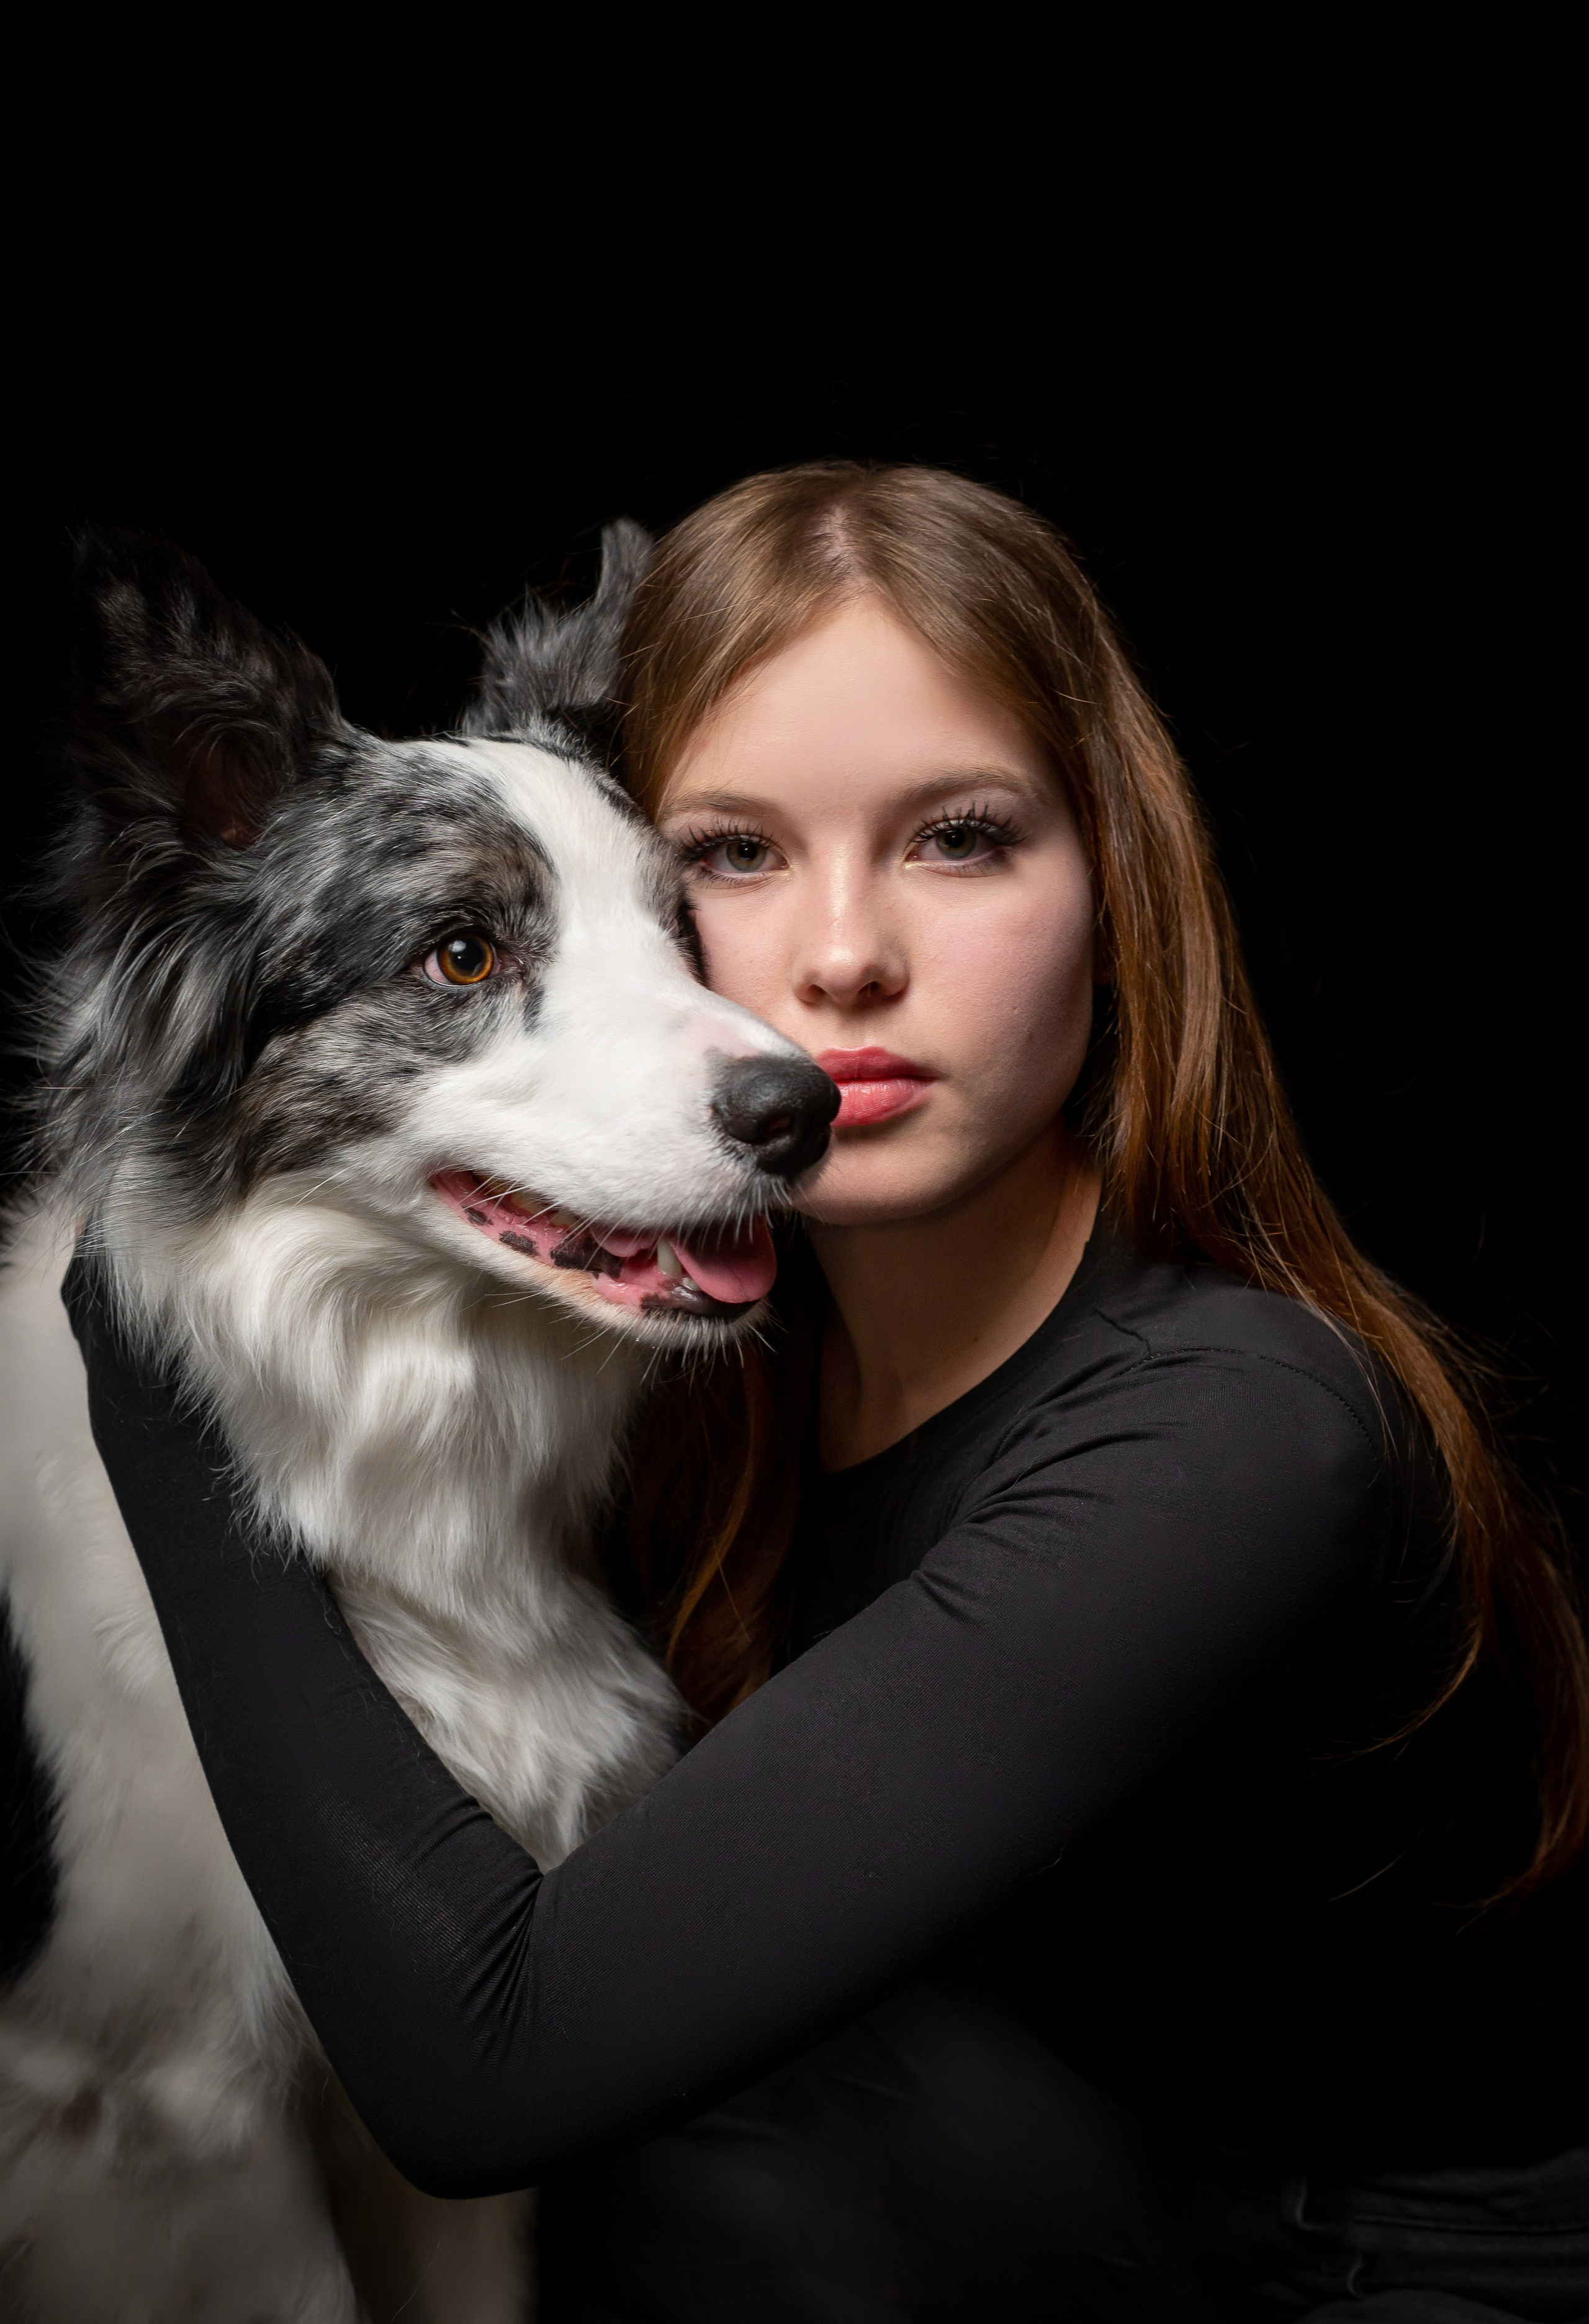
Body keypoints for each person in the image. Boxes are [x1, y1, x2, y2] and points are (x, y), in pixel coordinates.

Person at [43, 467, 1589, 2318]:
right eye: (734, 855)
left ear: (1117, 875)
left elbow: (490, 2067)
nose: (844, 959)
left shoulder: (1238, 1434)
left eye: (960, 839)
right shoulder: (678, 1359)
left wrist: (143, 1352)